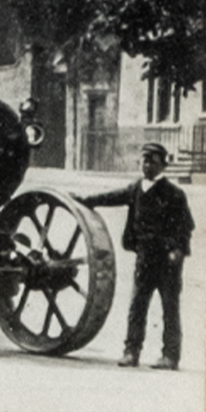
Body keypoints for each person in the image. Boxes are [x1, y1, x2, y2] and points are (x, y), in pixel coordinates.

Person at [76, 142, 195, 369]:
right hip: (144, 259)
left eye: (153, 161)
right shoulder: (136, 189)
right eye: (145, 161)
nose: (148, 165)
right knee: (137, 306)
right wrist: (86, 199)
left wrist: (178, 251)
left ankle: (170, 356)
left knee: (170, 308)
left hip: (167, 261)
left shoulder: (174, 194)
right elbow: (111, 197)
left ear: (163, 165)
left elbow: (185, 227)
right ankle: (131, 352)